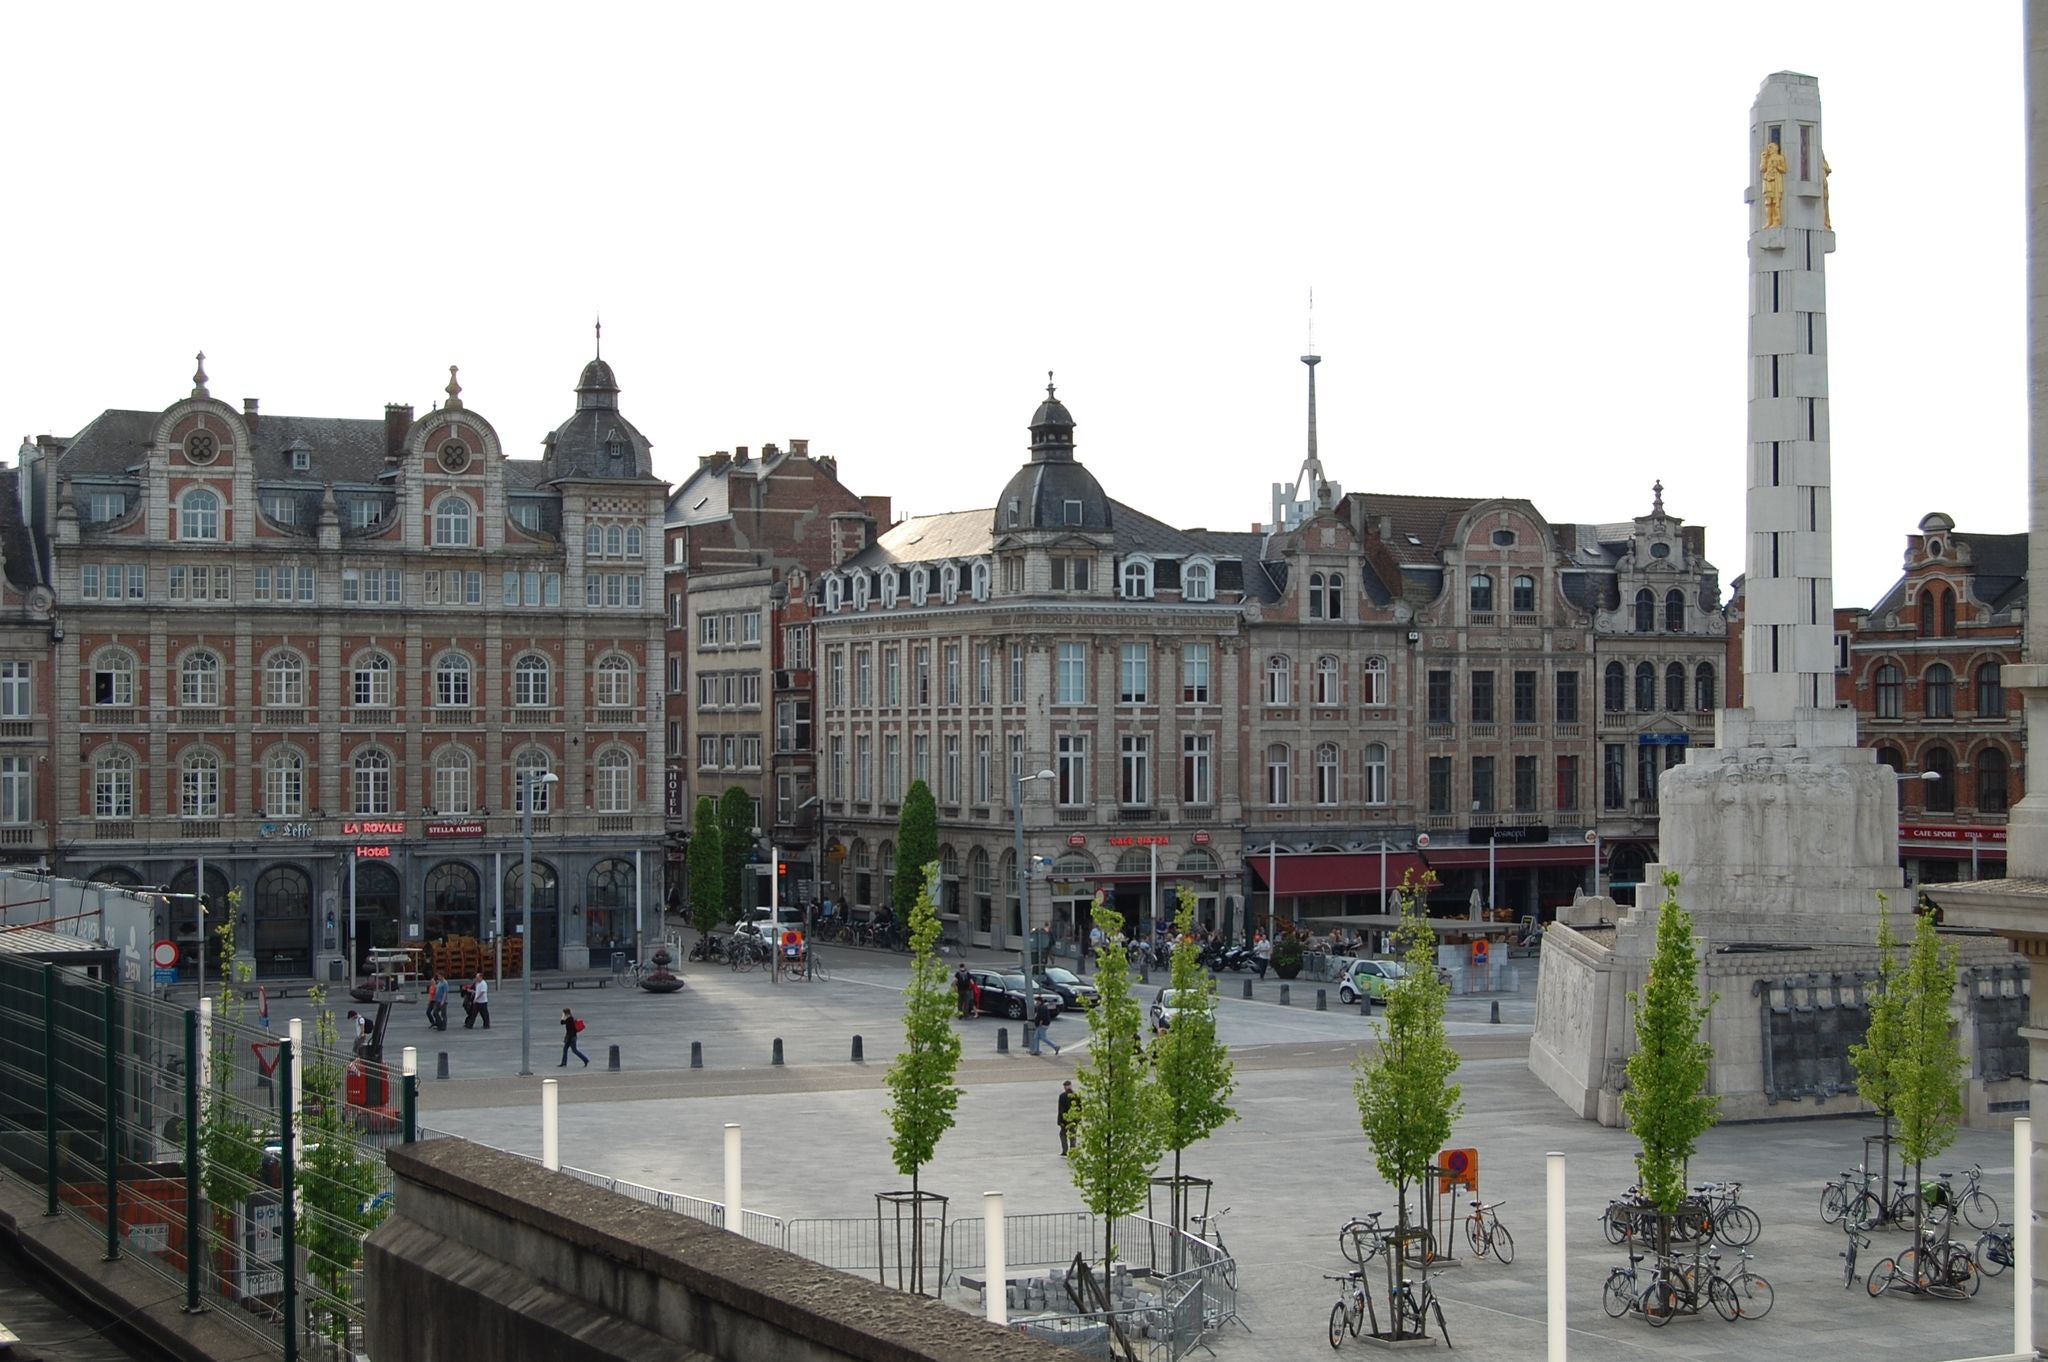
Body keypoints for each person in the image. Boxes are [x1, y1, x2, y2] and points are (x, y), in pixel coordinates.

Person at [1057, 1079, 1078, 1156]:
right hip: (1068, 1119)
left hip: (1070, 1119)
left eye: (1067, 1086)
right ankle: (1068, 1150)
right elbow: (1060, 1109)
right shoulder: (1063, 1096)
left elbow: (1079, 1108)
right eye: (1065, 1086)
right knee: (1066, 1135)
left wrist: (1060, 1121)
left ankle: (1069, 1150)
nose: (1066, 1087)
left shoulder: (1074, 1096)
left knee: (1069, 1135)